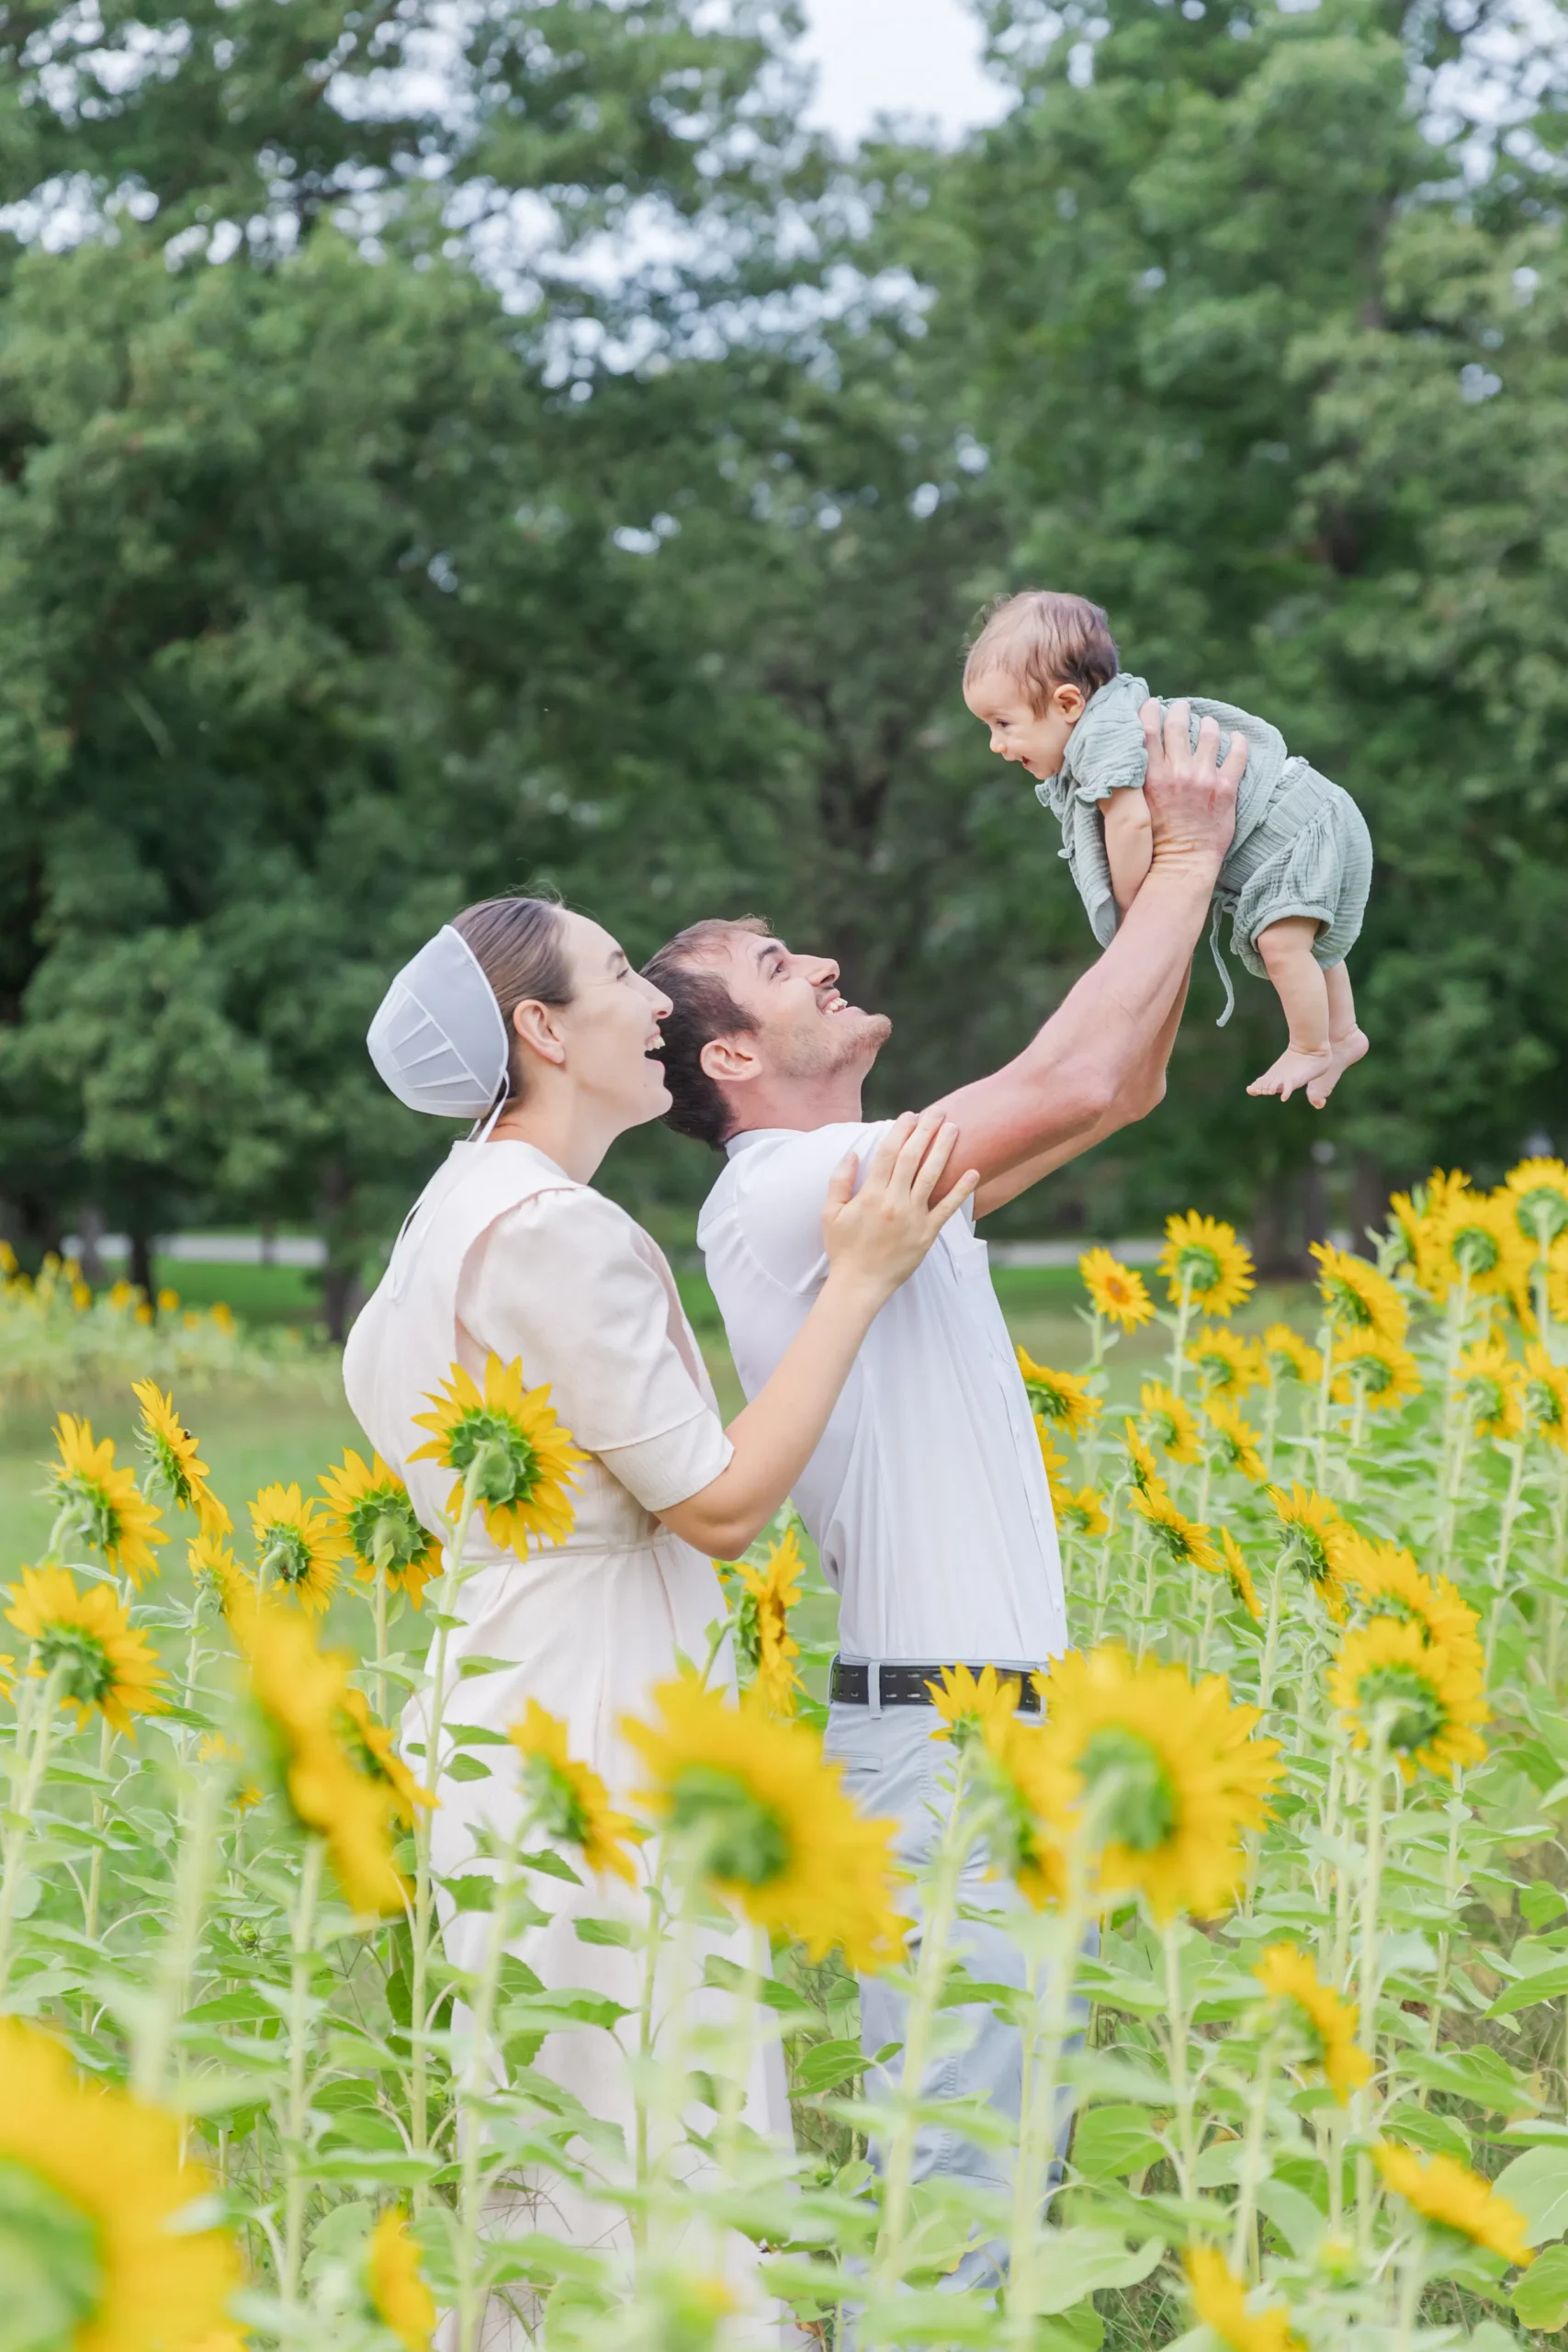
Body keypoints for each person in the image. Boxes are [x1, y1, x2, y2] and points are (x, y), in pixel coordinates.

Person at [641, 700, 1247, 2298]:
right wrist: (1184, 850)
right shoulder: (792, 1192)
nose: (821, 962)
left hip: (1000, 1733)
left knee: (1011, 2177)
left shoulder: (887, 1190)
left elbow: (1116, 1089)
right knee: (960, 2207)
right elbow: (1079, 1063)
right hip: (941, 1742)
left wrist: (1155, 891)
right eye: (777, 967)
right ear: (726, 1055)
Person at [342, 895, 975, 2328]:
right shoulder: (557, 1232)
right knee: (658, 2117)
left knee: (545, 2144)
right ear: (542, 1031)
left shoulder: (443, 1218)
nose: (656, 1009)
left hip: (490, 1693)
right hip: (596, 1717)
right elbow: (720, 1502)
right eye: (622, 975)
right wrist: (858, 1281)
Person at [964, 587, 1372, 1108]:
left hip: (1292, 826)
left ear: (1067, 703)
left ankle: (1308, 1044)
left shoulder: (1099, 737)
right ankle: (1342, 1034)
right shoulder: (1111, 717)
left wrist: (1139, 910)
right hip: (1312, 814)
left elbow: (1130, 825)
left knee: (1281, 945)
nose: (997, 746)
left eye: (1003, 724)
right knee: (1302, 940)